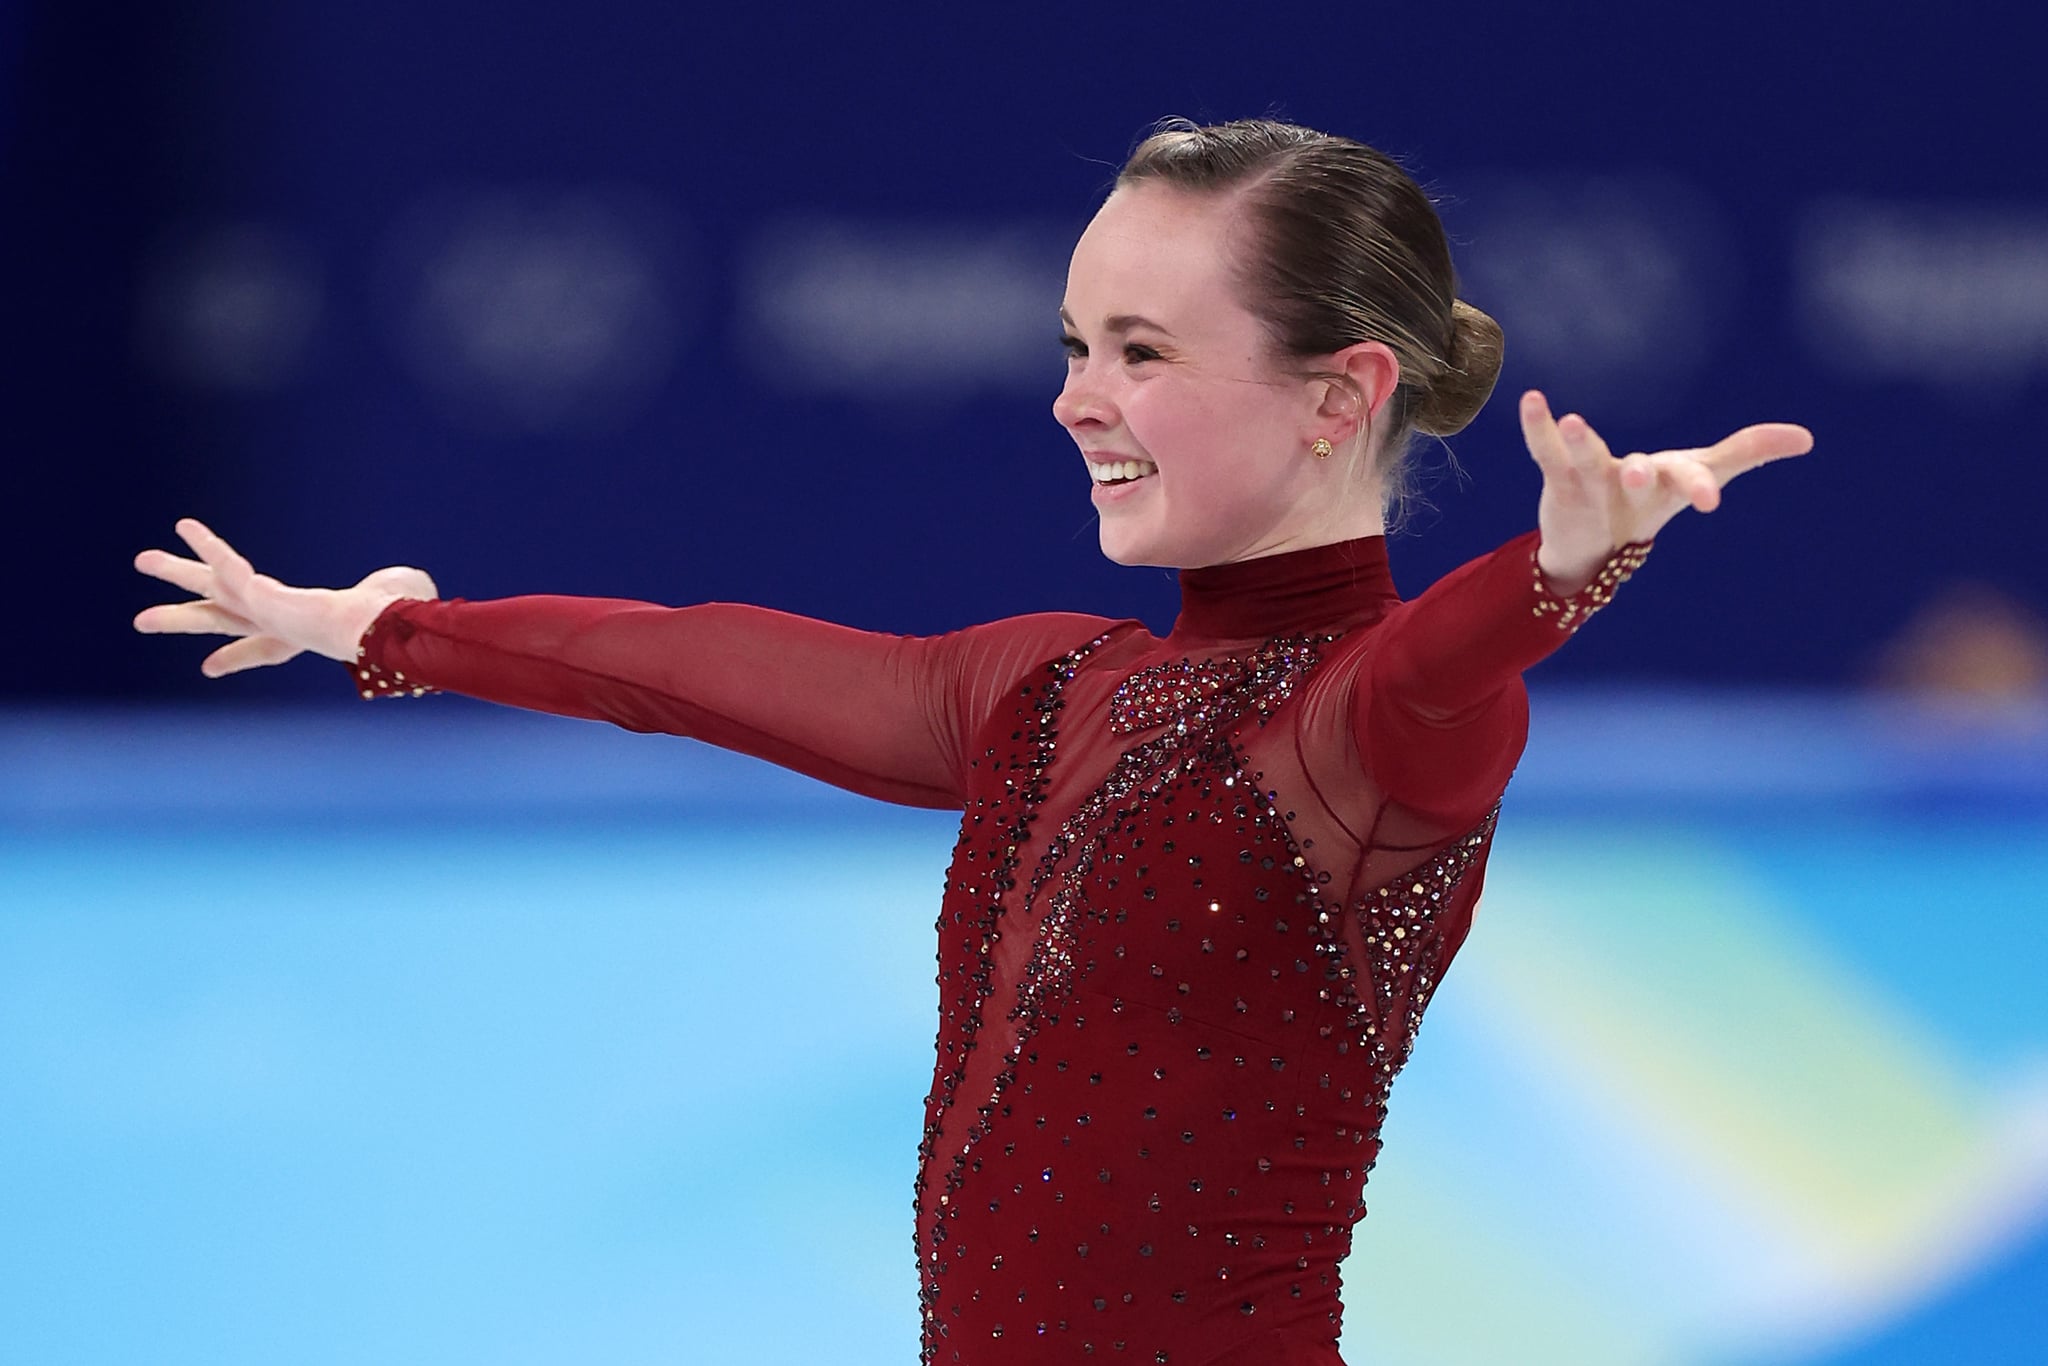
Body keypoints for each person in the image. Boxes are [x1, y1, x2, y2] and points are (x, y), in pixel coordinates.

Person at [134, 119, 1811, 1366]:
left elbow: (1441, 677)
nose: (1080, 397)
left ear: (1339, 393)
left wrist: (1560, 570)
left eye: (1142, 353)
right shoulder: (1051, 690)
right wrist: (382, 627)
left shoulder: (1350, 741)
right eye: (1077, 347)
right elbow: (688, 666)